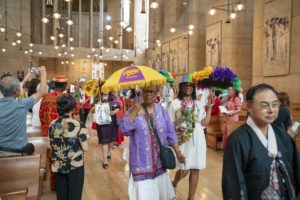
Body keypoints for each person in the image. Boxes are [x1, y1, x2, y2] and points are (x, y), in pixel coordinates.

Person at [222, 83, 300, 200]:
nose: (271, 110)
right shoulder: (238, 140)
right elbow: (233, 183)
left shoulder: (283, 136)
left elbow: (296, 170)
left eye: (275, 104)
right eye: (264, 105)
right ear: (249, 107)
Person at [120, 85, 185, 200]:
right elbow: (124, 129)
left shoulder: (162, 111)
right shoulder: (134, 110)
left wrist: (178, 152)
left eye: (152, 92)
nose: (149, 94)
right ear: (141, 93)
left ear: (156, 94)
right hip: (141, 165)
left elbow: (171, 133)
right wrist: (134, 111)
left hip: (160, 164)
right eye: (145, 91)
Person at [168, 75, 214, 200]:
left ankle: (191, 198)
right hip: (183, 138)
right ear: (181, 87)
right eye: (186, 85)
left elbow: (204, 123)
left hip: (197, 139)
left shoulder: (198, 103)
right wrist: (178, 119)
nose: (188, 88)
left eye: (190, 86)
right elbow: (171, 124)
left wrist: (209, 107)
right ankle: (174, 183)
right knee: (184, 168)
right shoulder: (175, 103)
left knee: (195, 169)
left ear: (193, 88)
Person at [49, 93, 88, 200]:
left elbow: (51, 145)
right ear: (73, 108)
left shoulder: (52, 124)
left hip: (58, 163)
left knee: (61, 195)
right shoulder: (79, 124)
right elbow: (85, 148)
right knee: (74, 195)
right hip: (75, 165)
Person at [0, 66, 47, 156]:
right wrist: (43, 74)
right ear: (17, 91)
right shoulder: (22, 104)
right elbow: (42, 91)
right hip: (18, 153)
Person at [91, 91, 119, 169]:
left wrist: (113, 112)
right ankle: (105, 160)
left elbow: (118, 108)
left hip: (111, 122)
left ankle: (108, 152)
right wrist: (97, 105)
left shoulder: (113, 97)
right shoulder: (97, 98)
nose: (105, 90)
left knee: (111, 142)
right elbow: (91, 111)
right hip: (101, 123)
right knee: (104, 141)